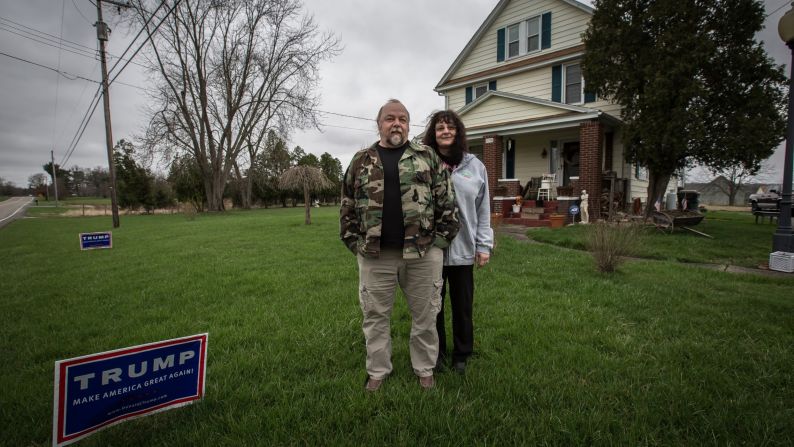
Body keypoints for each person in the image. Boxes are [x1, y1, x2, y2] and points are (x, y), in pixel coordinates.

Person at [340, 99, 459, 391]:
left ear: (408, 124)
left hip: (422, 253)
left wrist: (439, 244)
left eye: (403, 119)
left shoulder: (426, 156)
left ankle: (424, 368)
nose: (397, 123)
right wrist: (356, 243)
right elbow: (347, 206)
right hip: (375, 256)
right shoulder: (361, 160)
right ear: (379, 123)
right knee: (375, 316)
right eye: (390, 118)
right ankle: (378, 371)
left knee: (426, 315)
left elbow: (447, 202)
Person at [422, 110, 493, 375]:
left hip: (463, 250)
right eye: (440, 128)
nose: (445, 132)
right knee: (433, 306)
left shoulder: (475, 166)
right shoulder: (425, 162)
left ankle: (462, 354)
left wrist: (483, 246)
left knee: (463, 306)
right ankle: (436, 353)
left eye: (450, 128)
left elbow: (483, 209)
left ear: (458, 131)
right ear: (434, 133)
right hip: (432, 249)